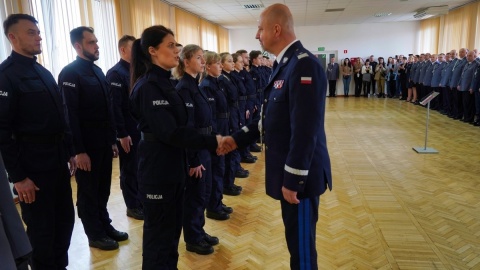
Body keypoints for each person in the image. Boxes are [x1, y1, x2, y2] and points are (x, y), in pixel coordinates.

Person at [220, 4, 332, 269]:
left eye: (260, 28)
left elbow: (305, 131)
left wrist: (293, 180)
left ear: (276, 29)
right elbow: (269, 120)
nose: (257, 35)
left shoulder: (304, 66)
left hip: (299, 181)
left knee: (302, 250)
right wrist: (236, 139)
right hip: (290, 175)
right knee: (295, 243)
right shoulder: (285, 65)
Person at [129, 25, 222, 269]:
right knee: (159, 237)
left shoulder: (166, 82)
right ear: (152, 51)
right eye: (170, 45)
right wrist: (214, 142)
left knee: (171, 234)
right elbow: (170, 132)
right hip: (157, 170)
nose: (176, 51)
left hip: (172, 167)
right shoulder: (149, 86)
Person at [0, 14, 75, 269]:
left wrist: (70, 153)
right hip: (33, 168)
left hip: (57, 163)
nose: (39, 36)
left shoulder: (42, 71)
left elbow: (59, 118)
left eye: (38, 32)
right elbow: (2, 131)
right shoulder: (6, 75)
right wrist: (19, 177)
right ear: (13, 37)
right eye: (31, 32)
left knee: (64, 223)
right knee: (42, 232)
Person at [58, 26, 127, 251]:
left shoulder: (97, 72)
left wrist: (112, 140)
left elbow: (107, 109)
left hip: (103, 143)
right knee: (88, 192)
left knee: (103, 188)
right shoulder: (70, 73)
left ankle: (104, 225)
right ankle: (94, 234)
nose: (97, 46)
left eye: (97, 41)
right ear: (78, 46)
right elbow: (70, 115)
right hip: (85, 146)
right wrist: (78, 151)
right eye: (91, 42)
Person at [174, 44, 220, 256]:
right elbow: (187, 127)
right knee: (195, 195)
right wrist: (193, 159)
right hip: (195, 149)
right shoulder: (184, 88)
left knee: (204, 192)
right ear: (186, 62)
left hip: (203, 145)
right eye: (199, 58)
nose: (203, 61)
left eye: (203, 58)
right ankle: (193, 238)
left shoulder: (195, 85)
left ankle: (199, 231)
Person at [106, 35, 144, 220]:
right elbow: (115, 107)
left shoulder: (136, 71)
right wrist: (121, 133)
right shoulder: (116, 73)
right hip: (128, 130)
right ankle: (133, 205)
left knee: (140, 167)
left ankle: (140, 200)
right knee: (129, 169)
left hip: (140, 128)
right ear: (123, 50)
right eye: (133, 48)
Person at [200, 51, 234, 221]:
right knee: (216, 170)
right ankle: (213, 206)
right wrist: (216, 138)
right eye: (218, 64)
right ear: (208, 66)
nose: (221, 66)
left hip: (223, 127)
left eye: (222, 63)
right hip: (216, 132)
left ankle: (218, 202)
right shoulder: (206, 85)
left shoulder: (218, 82)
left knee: (221, 168)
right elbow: (210, 116)